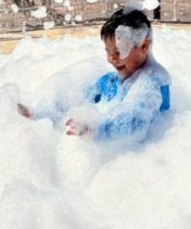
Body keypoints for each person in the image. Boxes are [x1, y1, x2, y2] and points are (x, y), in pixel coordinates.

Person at [17, 8, 171, 139]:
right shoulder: (111, 81)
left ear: (144, 46)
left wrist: (97, 130)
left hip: (138, 151)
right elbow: (80, 102)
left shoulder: (151, 81)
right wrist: (43, 115)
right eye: (108, 51)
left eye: (118, 52)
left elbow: (134, 121)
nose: (111, 58)